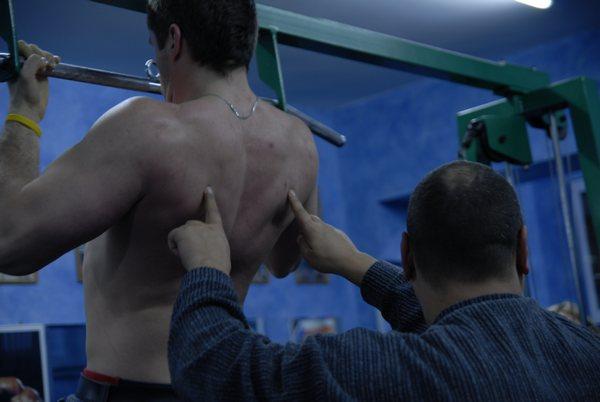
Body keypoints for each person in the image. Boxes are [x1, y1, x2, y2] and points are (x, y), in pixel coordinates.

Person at [0, 0, 318, 399]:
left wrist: (24, 112)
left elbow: (9, 243)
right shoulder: (299, 143)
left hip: (131, 390)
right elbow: (284, 263)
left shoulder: (148, 129)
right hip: (224, 387)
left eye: (155, 53)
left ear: (174, 40)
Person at [167, 162, 600, 401]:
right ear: (523, 249)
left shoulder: (381, 371)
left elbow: (214, 368)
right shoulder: (587, 354)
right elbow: (469, 339)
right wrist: (357, 264)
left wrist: (207, 268)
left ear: (407, 255)